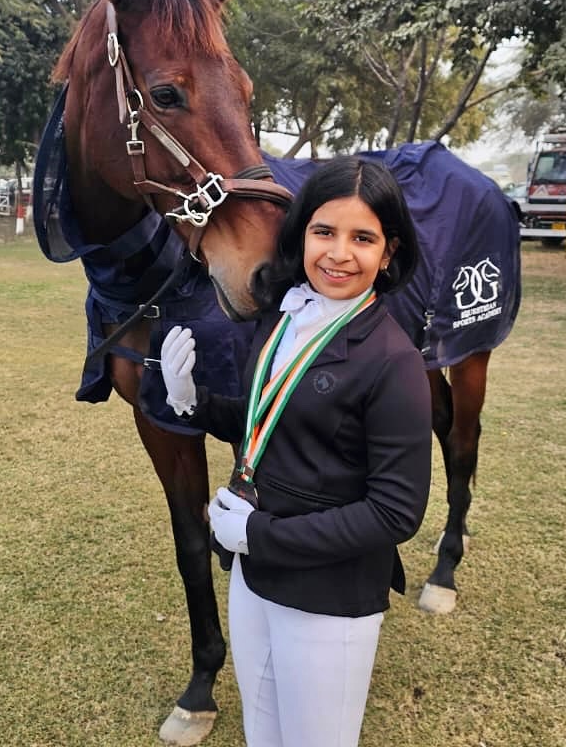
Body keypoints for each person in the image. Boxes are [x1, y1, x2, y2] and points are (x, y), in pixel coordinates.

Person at [160, 156, 432, 747]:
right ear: (301, 231)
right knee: (264, 735)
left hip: (327, 596)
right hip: (254, 577)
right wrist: (191, 401)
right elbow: (269, 420)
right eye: (324, 231)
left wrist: (261, 536)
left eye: (363, 238)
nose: (338, 253)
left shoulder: (395, 361)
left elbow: (396, 513)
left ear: (388, 253)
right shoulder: (284, 319)